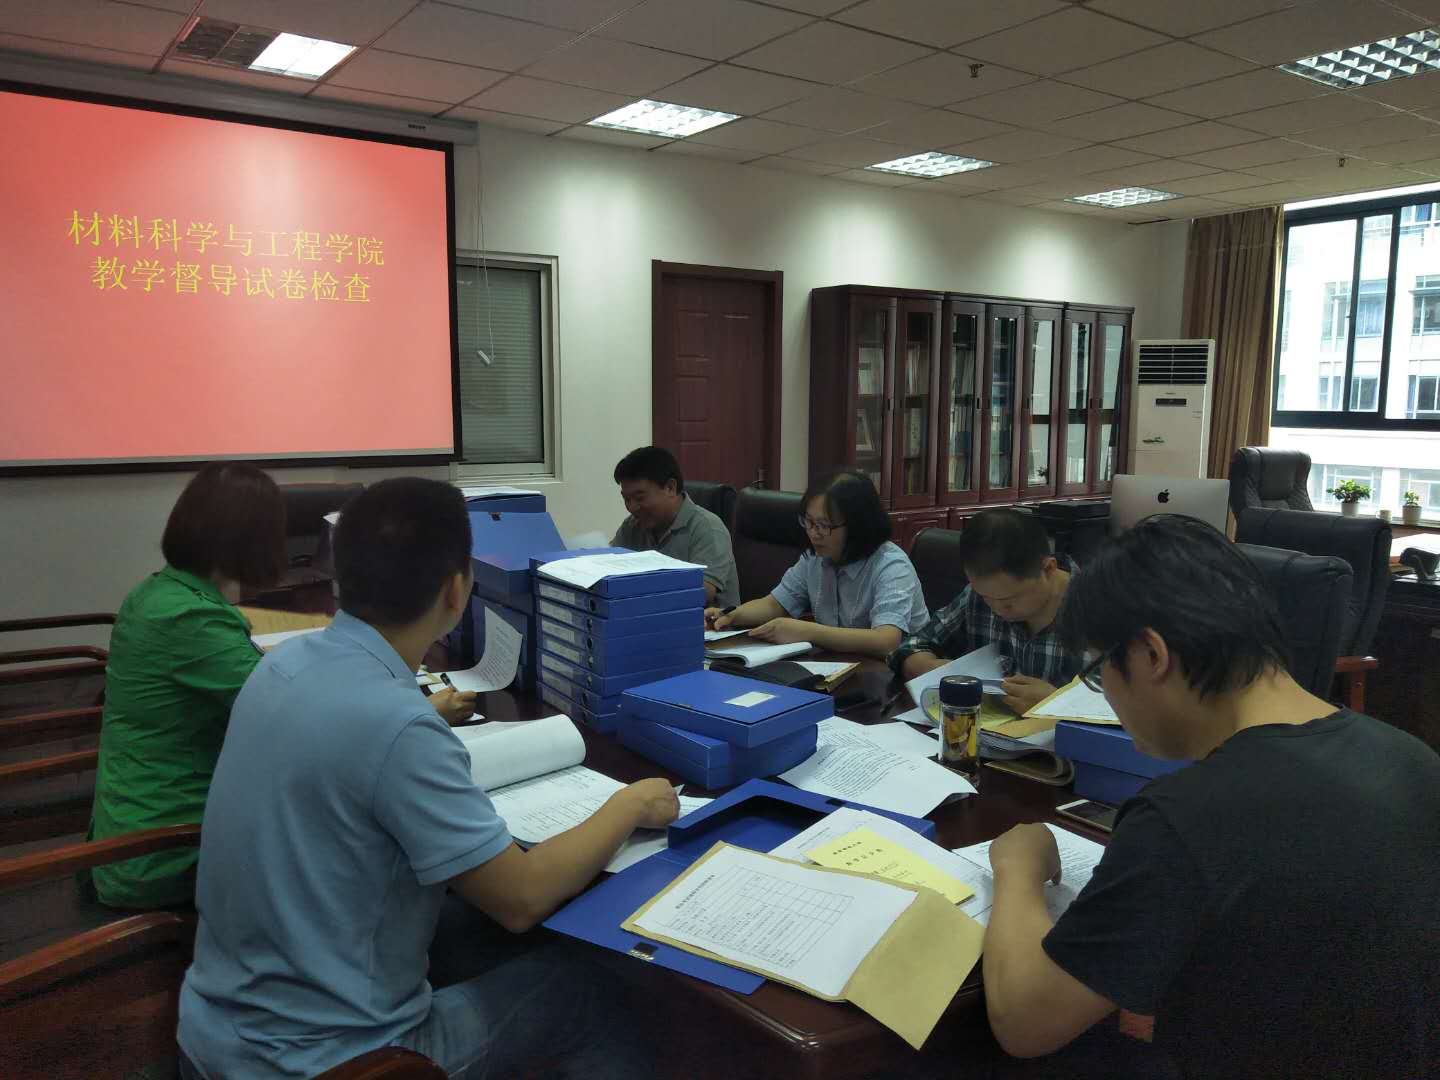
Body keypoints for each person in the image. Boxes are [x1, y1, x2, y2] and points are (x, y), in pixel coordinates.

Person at [177, 477, 678, 1080]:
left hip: (211, 1030)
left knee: (469, 926)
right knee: (589, 992)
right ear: (457, 589)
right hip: (332, 1063)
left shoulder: (280, 665)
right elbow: (521, 898)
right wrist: (629, 805)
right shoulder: (398, 725)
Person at [982, 515, 1439, 1080]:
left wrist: (1018, 868)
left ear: (1150, 655)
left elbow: (1025, 1024)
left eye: (1099, 674)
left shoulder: (1185, 816)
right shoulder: (1412, 758)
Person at [87, 465, 476, 911]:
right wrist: (426, 713)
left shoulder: (161, 594)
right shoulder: (188, 619)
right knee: (379, 840)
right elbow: (298, 718)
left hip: (149, 819)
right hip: (167, 846)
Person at [707, 470, 926, 659]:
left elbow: (886, 641)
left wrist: (808, 632)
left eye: (823, 525)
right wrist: (733, 615)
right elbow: (775, 604)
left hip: (898, 676)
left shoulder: (891, 566)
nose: (813, 533)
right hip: (841, 665)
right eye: (809, 522)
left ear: (858, 526)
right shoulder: (816, 557)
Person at [888, 508, 1079, 714]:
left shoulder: (1097, 610)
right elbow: (914, 644)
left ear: (1048, 569)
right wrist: (926, 666)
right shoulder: (979, 595)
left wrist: (1060, 703)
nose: (997, 609)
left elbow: (1105, 710)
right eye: (986, 597)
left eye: (1008, 600)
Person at [612, 445, 738, 607]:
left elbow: (699, 594)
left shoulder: (708, 528)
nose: (632, 507)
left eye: (639, 498)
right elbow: (607, 565)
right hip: (648, 615)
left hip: (704, 620)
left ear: (670, 488)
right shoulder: (633, 525)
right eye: (626, 499)